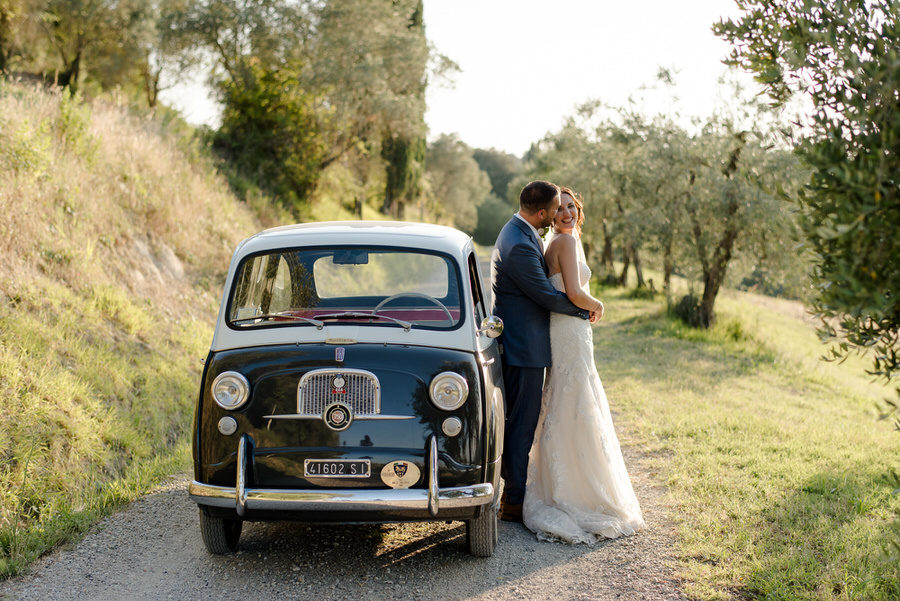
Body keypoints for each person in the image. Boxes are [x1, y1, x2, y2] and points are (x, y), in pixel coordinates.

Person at [522, 186, 644, 543]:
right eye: (559, 208)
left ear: (579, 209)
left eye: (571, 207)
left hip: (567, 329)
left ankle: (563, 480)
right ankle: (579, 490)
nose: (566, 213)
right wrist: (599, 304)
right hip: (571, 328)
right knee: (576, 397)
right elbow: (574, 293)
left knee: (568, 395)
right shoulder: (566, 242)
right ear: (549, 213)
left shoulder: (559, 241)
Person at [491, 180, 598, 523]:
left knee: (526, 420)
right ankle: (514, 500)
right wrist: (586, 310)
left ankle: (516, 492)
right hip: (524, 346)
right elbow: (546, 296)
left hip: (531, 341)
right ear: (541, 213)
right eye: (554, 210)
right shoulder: (520, 243)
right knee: (522, 424)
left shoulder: (522, 234)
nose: (558, 215)